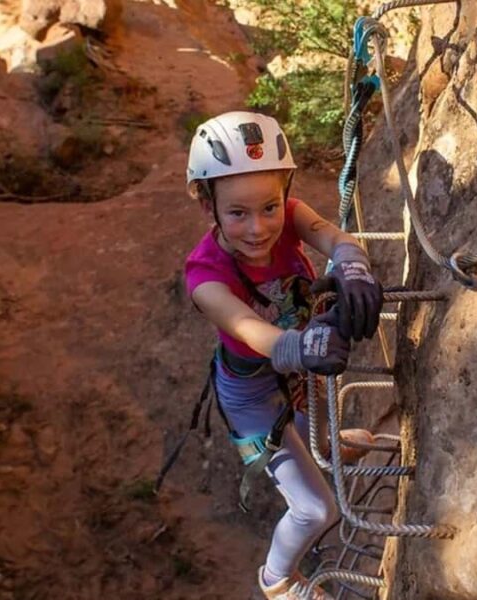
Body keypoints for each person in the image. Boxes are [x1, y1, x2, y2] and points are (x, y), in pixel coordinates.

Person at [183, 111, 383, 600]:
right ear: (208, 206)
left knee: (312, 415)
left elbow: (332, 236)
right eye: (237, 213)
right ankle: (276, 580)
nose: (258, 228)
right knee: (316, 510)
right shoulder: (204, 277)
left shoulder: (289, 215)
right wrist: (299, 345)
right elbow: (251, 330)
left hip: (293, 372)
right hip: (252, 396)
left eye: (269, 207)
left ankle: (326, 445)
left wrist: (352, 262)